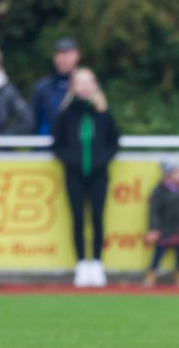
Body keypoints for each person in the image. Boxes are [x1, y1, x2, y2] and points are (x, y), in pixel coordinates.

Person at [52, 66, 119, 287]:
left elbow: (113, 143)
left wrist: (100, 161)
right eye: (79, 82)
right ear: (73, 87)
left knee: (98, 219)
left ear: (94, 85)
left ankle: (97, 264)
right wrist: (74, 161)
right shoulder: (65, 114)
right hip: (74, 174)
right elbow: (58, 145)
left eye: (88, 82)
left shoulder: (103, 114)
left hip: (99, 174)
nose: (84, 87)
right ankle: (81, 264)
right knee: (78, 218)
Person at [144, 158, 179, 288]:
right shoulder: (158, 192)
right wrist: (154, 229)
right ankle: (151, 275)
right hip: (164, 230)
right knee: (159, 253)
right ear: (169, 174)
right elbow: (154, 212)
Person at [31, 37, 80, 135]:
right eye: (60, 54)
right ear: (55, 57)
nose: (64, 59)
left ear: (77, 56)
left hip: (79, 147)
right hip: (47, 146)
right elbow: (33, 121)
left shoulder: (87, 86)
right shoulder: (42, 87)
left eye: (67, 54)